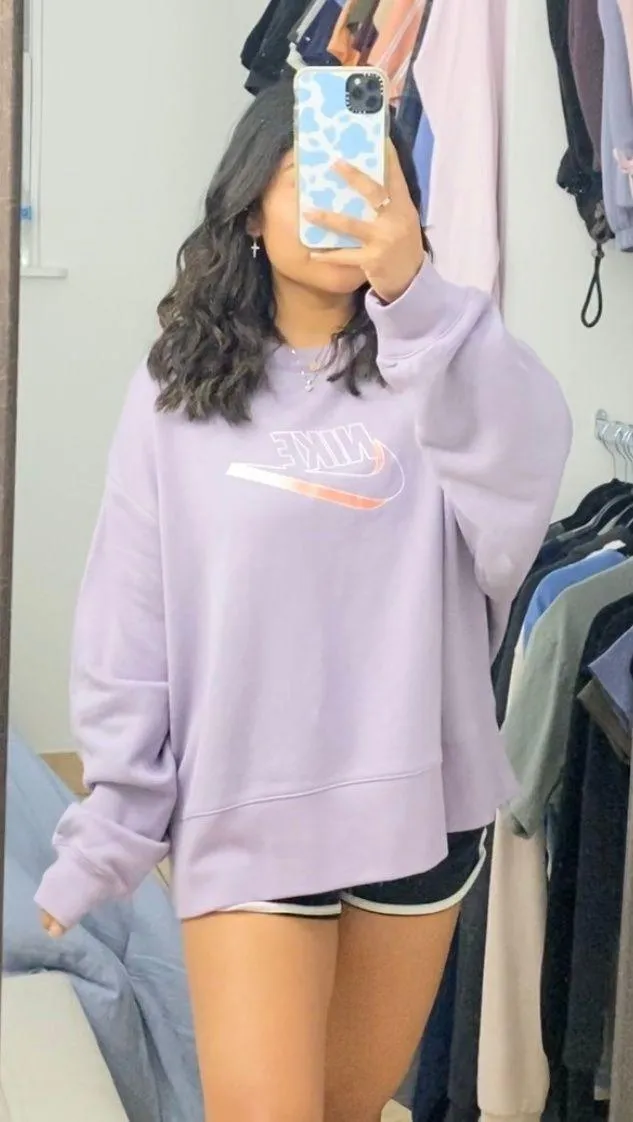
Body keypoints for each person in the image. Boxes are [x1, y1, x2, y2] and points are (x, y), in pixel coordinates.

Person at [35, 79, 571, 1122]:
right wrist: (116, 821)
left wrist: (415, 295)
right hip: (250, 805)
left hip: (419, 815)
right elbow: (130, 622)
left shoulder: (449, 367)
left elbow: (522, 495)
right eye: (311, 175)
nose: (345, 200)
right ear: (250, 208)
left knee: (344, 1112)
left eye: (375, 179)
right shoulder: (176, 395)